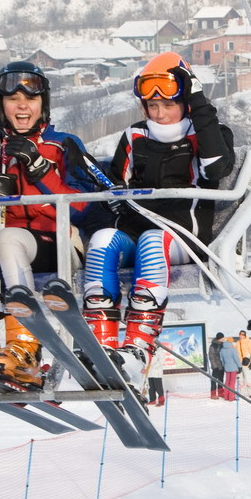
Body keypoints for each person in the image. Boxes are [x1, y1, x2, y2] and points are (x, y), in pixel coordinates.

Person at [81, 52, 235, 366]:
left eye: (168, 105)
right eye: (153, 106)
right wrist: (109, 192)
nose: (160, 114)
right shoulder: (135, 136)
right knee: (102, 241)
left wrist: (198, 102)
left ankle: (138, 347)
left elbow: (217, 167)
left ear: (186, 101)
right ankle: (100, 347)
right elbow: (114, 184)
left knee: (154, 240)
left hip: (182, 234)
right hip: (136, 230)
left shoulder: (208, 136)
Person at [0, 61, 100, 385]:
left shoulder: (63, 145)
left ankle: (26, 346)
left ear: (43, 104)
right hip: (10, 250)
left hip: (61, 244)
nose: (22, 105)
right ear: (1, 106)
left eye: (31, 99)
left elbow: (82, 208)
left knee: (8, 237)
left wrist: (41, 172)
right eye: (13, 99)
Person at [218, 334, 241, 402]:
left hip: (227, 368)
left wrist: (225, 366)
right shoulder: (232, 349)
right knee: (232, 382)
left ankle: (226, 396)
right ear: (231, 342)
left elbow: (222, 360)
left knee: (227, 382)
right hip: (233, 368)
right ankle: (231, 397)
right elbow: (236, 359)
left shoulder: (222, 350)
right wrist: (239, 366)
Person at [234, 329, 251, 396]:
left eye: (243, 334)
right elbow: (235, 353)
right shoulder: (238, 343)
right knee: (240, 379)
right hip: (239, 363)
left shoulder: (249, 342)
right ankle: (241, 393)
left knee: (247, 378)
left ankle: (250, 393)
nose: (241, 336)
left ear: (245, 335)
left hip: (246, 363)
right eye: (240, 334)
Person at [146, 341, 167, 408]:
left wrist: (152, 366)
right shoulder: (150, 350)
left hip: (156, 372)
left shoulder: (160, 351)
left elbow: (161, 361)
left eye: (154, 343)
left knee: (158, 387)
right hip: (150, 372)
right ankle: (152, 400)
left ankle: (161, 401)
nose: (153, 344)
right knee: (151, 387)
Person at [208, 331, 226, 400]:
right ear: (219, 338)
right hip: (216, 366)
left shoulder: (222, 345)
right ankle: (213, 394)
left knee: (221, 380)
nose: (224, 338)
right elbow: (211, 357)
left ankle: (221, 393)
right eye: (222, 337)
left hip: (221, 365)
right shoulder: (213, 346)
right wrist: (214, 366)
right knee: (214, 380)